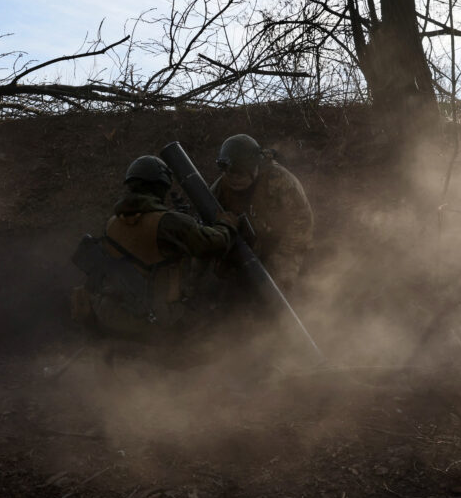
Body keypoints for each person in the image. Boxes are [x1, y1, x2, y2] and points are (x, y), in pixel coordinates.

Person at [73, 155, 238, 343]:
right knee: (218, 332)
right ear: (161, 187)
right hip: (155, 322)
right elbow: (211, 245)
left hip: (113, 316)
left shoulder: (113, 223)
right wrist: (226, 224)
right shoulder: (167, 222)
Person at [210, 134, 313, 291]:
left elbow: (302, 221)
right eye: (229, 173)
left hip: (282, 246)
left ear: (254, 168)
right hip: (244, 250)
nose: (234, 179)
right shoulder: (219, 190)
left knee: (279, 287)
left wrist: (281, 260)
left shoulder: (279, 180)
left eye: (240, 173)